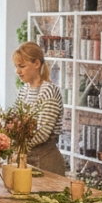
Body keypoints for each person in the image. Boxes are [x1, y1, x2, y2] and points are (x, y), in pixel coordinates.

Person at [12, 41, 66, 175]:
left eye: (22, 66)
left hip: (46, 161)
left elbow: (42, 133)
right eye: (16, 66)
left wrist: (18, 148)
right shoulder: (24, 90)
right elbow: (13, 120)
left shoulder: (49, 91)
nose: (17, 71)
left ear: (36, 64)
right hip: (26, 158)